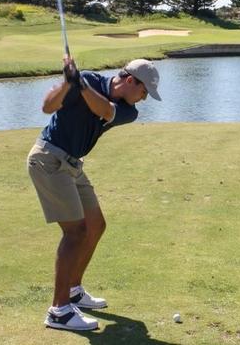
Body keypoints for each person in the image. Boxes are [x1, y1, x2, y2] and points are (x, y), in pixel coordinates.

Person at [27, 56, 161, 331]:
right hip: (48, 159)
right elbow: (47, 107)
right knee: (75, 233)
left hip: (73, 165)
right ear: (129, 81)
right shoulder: (85, 79)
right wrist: (68, 83)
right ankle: (59, 311)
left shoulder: (127, 110)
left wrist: (81, 85)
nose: (144, 98)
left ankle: (74, 290)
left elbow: (106, 111)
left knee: (96, 225)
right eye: (144, 91)